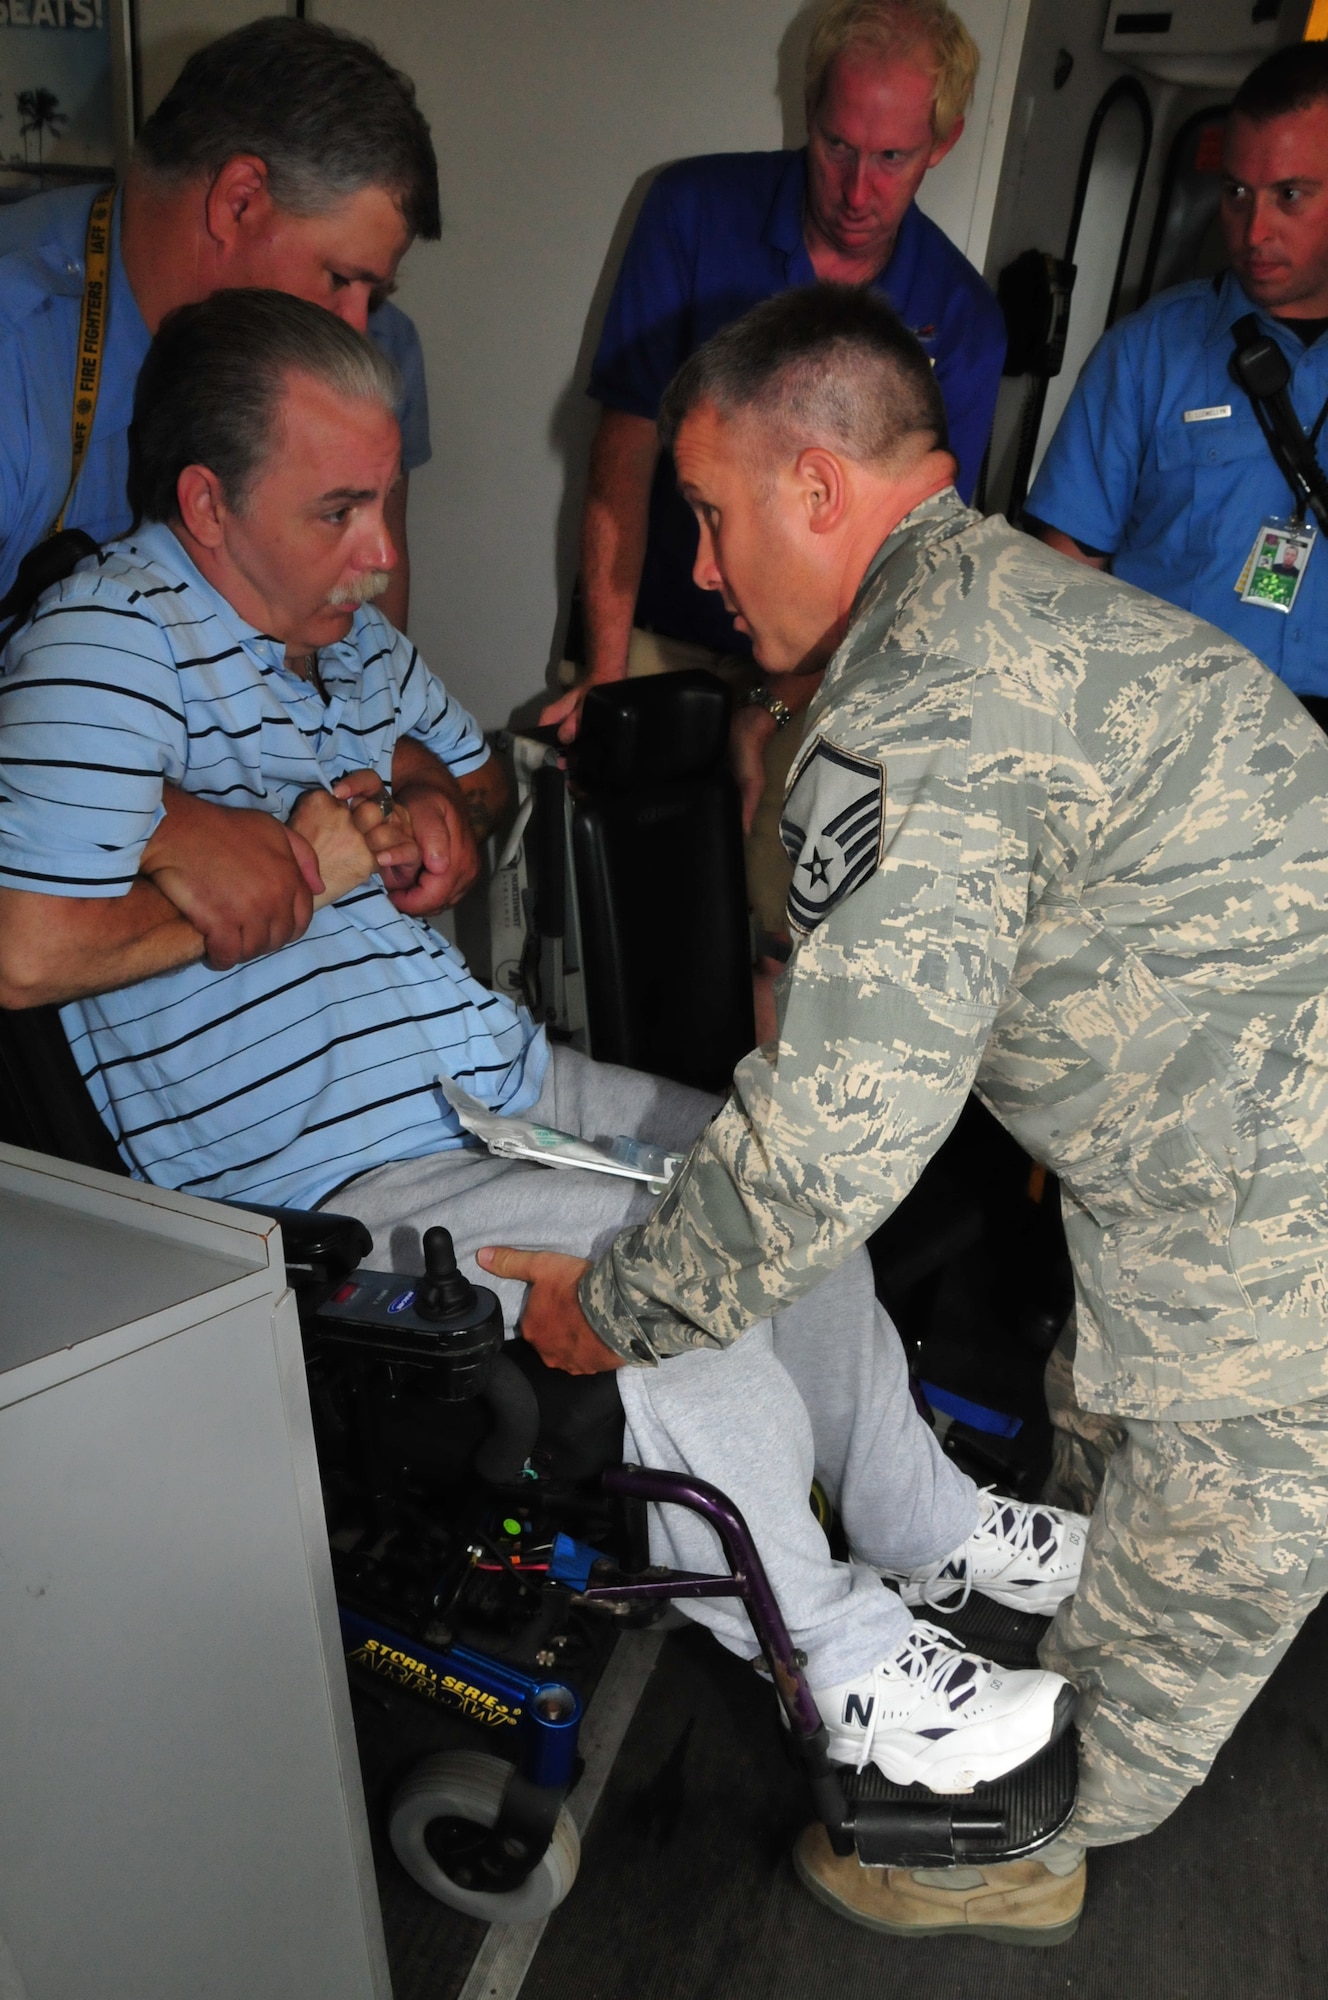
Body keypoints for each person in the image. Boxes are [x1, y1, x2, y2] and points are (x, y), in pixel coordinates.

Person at [0, 288, 1083, 1814]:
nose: (384, 552)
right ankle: (833, 1657)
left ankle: (920, 1523)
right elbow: (22, 948)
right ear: (206, 505)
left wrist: (445, 814)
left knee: (773, 1165)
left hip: (491, 1081)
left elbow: (474, 775)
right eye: (342, 509)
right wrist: (279, 871)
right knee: (676, 1269)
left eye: (387, 500)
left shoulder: (336, 637)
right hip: (332, 1172)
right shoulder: (101, 649)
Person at [489, 283, 1328, 1944]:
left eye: (713, 519)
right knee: (1118, 1433)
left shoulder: (916, 704)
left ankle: (1015, 1844)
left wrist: (623, 1307)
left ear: (817, 486)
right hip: (1199, 1132)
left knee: (1217, 1522)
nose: (704, 573)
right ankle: (1052, 1643)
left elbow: (834, 1134)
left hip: (1267, 1165)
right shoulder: (988, 600)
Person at [542, 0, 1006, 960]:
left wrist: (779, 705)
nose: (855, 188)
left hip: (820, 671)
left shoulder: (959, 315)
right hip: (658, 628)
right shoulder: (690, 212)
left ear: (944, 143)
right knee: (608, 918)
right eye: (837, 145)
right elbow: (623, 448)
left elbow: (910, 546)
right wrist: (607, 669)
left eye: (892, 159)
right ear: (808, 107)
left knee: (783, 940)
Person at [0, 14, 439, 636]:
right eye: (340, 279)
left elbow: (373, 640)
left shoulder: (378, 351)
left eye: (378, 291)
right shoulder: (14, 350)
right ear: (239, 202)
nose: (358, 331)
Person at [1026, 41, 1328, 708]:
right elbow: (1064, 576)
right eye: (1237, 193)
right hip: (1168, 729)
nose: (1254, 230)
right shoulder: (1146, 354)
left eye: (1290, 196)